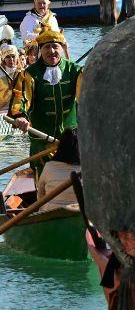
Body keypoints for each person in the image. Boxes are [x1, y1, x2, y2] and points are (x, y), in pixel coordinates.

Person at [10, 28, 81, 189]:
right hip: (41, 142)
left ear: (62, 48)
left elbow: (86, 98)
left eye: (56, 46)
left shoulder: (75, 70)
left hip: (71, 142)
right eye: (47, 47)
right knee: (43, 181)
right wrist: (21, 116)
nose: (52, 51)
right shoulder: (29, 74)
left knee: (75, 180)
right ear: (40, 50)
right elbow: (21, 98)